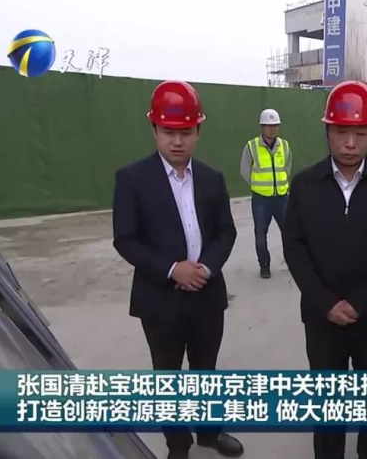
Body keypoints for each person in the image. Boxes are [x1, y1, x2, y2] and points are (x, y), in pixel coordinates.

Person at [112, 80, 244, 459]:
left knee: (206, 370)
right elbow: (126, 239)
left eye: (185, 132)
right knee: (167, 376)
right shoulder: (132, 179)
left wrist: (206, 267)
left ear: (198, 131)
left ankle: (209, 432)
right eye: (168, 132)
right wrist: (173, 270)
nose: (177, 141)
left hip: (207, 293)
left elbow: (226, 231)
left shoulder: (212, 179)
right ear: (154, 129)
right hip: (160, 300)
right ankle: (178, 444)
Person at [282, 80, 367, 459]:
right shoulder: (305, 185)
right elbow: (295, 249)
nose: (350, 144)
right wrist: (325, 303)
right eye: (341, 133)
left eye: (360, 134)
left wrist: (360, 303)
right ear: (327, 132)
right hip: (322, 321)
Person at [240, 108, 292, 278]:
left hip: (282, 198)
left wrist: (281, 184)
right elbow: (244, 171)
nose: (272, 129)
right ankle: (264, 265)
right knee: (261, 235)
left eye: (275, 125)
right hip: (261, 200)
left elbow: (287, 166)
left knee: (290, 234)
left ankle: (294, 262)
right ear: (262, 127)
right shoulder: (251, 146)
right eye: (269, 126)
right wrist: (257, 185)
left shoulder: (284, 145)